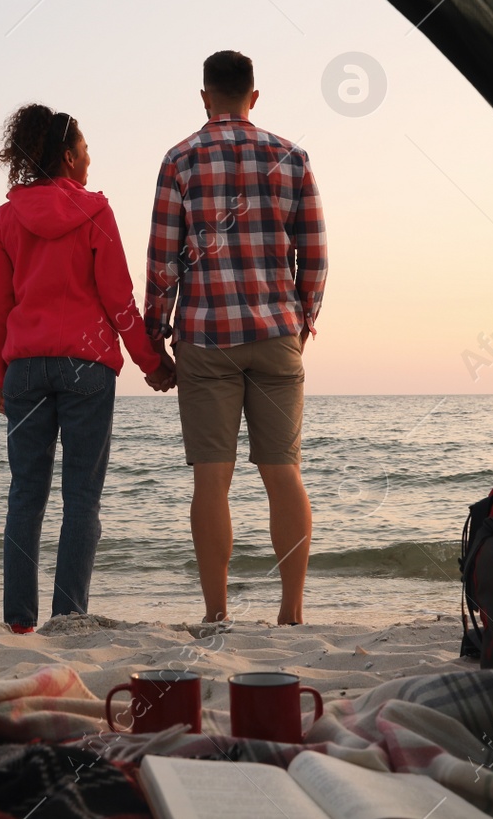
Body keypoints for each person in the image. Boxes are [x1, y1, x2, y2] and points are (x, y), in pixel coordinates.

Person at [144, 51, 328, 626]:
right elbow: (315, 253)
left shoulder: (179, 159)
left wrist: (157, 337)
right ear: (254, 96)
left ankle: (217, 611)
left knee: (212, 478)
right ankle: (291, 611)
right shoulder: (290, 156)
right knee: (283, 471)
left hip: (206, 336)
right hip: (275, 332)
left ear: (205, 97)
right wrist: (301, 322)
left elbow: (161, 262)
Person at [0, 104, 176, 634]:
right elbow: (119, 301)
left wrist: (0, 378)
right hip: (86, 369)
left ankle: (19, 624)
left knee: (25, 494)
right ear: (69, 157)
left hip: (24, 368)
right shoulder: (95, 211)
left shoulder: (7, 217)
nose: (91, 159)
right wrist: (152, 363)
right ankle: (67, 618)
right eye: (86, 150)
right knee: (82, 498)